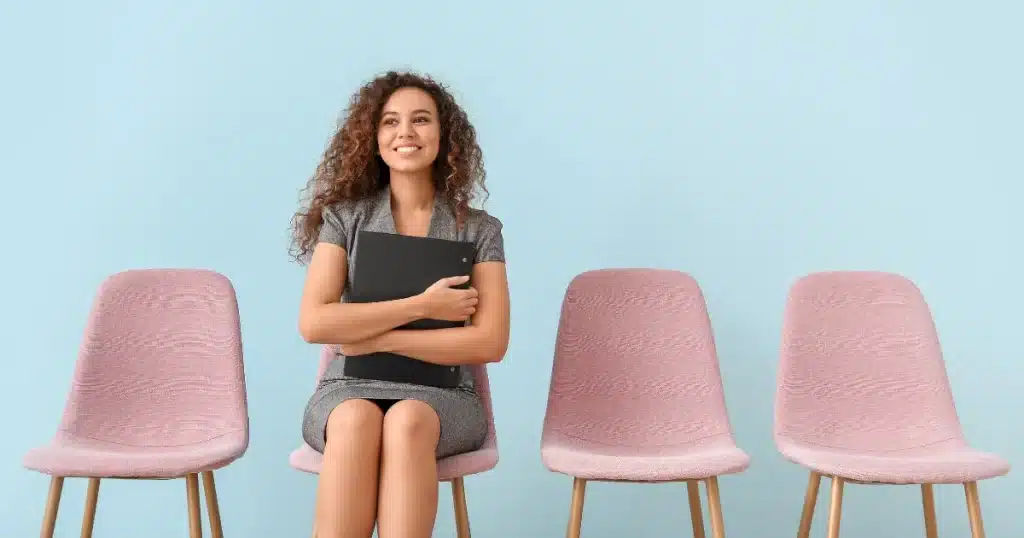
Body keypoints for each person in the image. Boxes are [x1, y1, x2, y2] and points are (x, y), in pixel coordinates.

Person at [289, 71, 511, 538]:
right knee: (354, 419)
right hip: (347, 388)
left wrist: (369, 338)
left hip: (445, 397)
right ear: (373, 138)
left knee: (407, 419)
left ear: (444, 135)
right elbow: (314, 322)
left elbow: (490, 342)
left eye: (421, 120)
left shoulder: (480, 229)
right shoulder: (343, 219)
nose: (405, 133)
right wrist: (421, 305)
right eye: (390, 122)